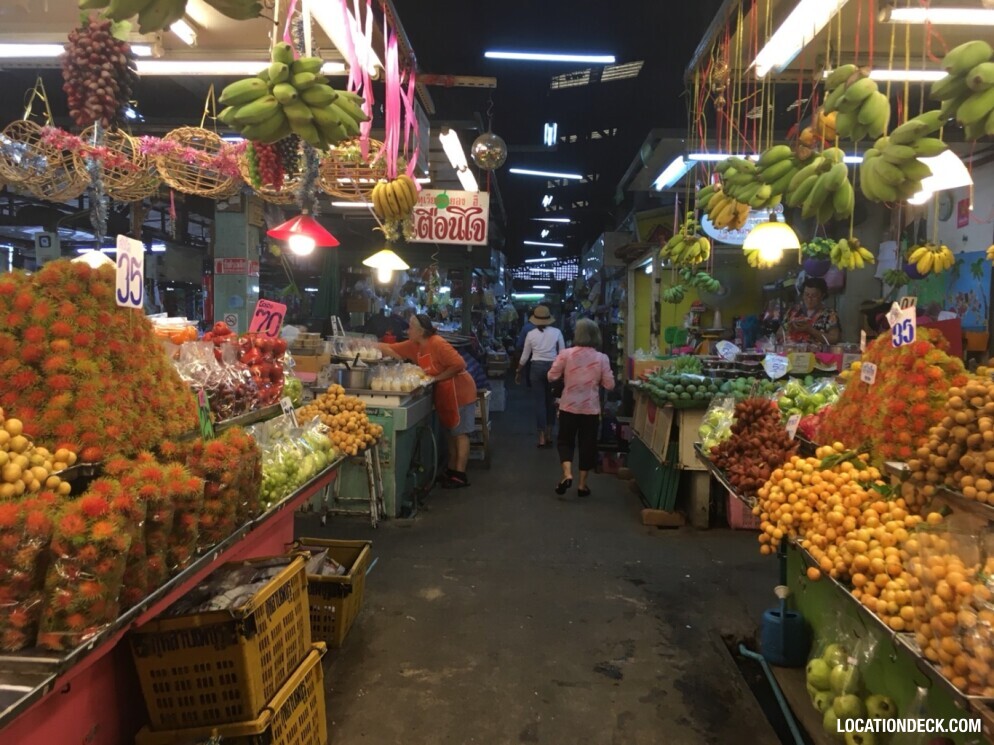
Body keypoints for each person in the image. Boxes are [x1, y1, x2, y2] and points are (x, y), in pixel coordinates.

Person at [379, 314, 477, 488]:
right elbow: (391, 348)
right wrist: (364, 344)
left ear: (420, 331)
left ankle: (460, 474)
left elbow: (459, 364)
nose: (407, 330)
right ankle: (451, 470)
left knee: (460, 433)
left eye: (410, 327)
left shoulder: (437, 343)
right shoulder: (415, 345)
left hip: (461, 390)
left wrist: (437, 378)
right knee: (451, 433)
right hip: (447, 393)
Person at [547, 318, 615, 497]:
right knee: (587, 445)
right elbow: (610, 385)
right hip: (590, 409)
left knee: (565, 441)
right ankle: (582, 485)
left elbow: (551, 376)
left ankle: (567, 474)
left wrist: (567, 376)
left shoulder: (566, 354)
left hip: (568, 406)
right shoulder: (602, 358)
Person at [515, 305, 564, 447]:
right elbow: (563, 353)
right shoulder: (557, 332)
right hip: (553, 368)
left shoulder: (531, 334)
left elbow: (524, 356)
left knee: (539, 403)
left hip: (536, 368)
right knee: (551, 402)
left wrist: (518, 371)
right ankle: (549, 433)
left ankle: (541, 436)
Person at [784, 277, 841, 345]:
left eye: (813, 296)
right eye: (806, 294)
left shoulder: (830, 314)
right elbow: (779, 334)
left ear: (822, 296)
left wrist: (810, 329)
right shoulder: (793, 311)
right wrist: (789, 328)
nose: (809, 299)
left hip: (817, 354)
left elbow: (834, 338)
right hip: (792, 352)